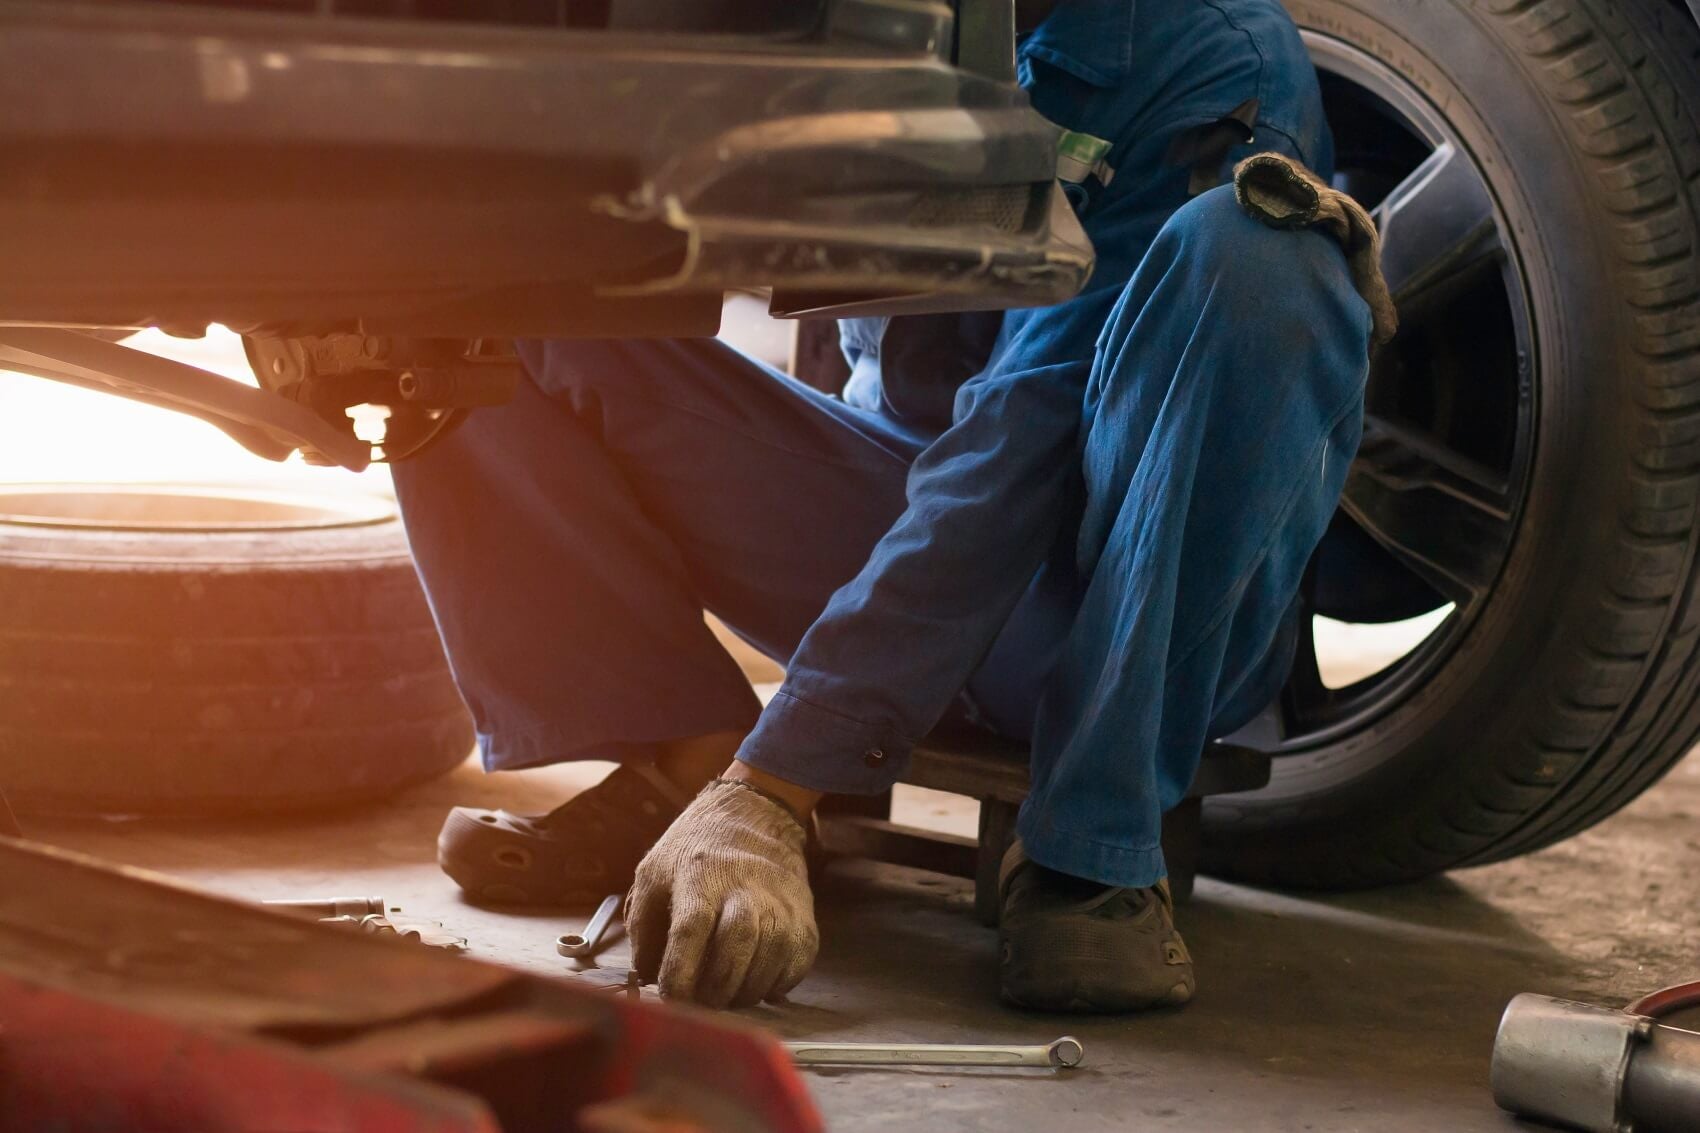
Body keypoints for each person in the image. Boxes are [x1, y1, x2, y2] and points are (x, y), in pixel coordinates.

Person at [393, 0, 1392, 1013]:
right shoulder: (886, 21)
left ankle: (1093, 847)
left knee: (1262, 258)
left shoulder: (1208, 54)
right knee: (477, 294)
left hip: (1123, 592)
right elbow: (843, 345)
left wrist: (777, 783)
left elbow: (1021, 441)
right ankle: (677, 754)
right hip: (912, 529)